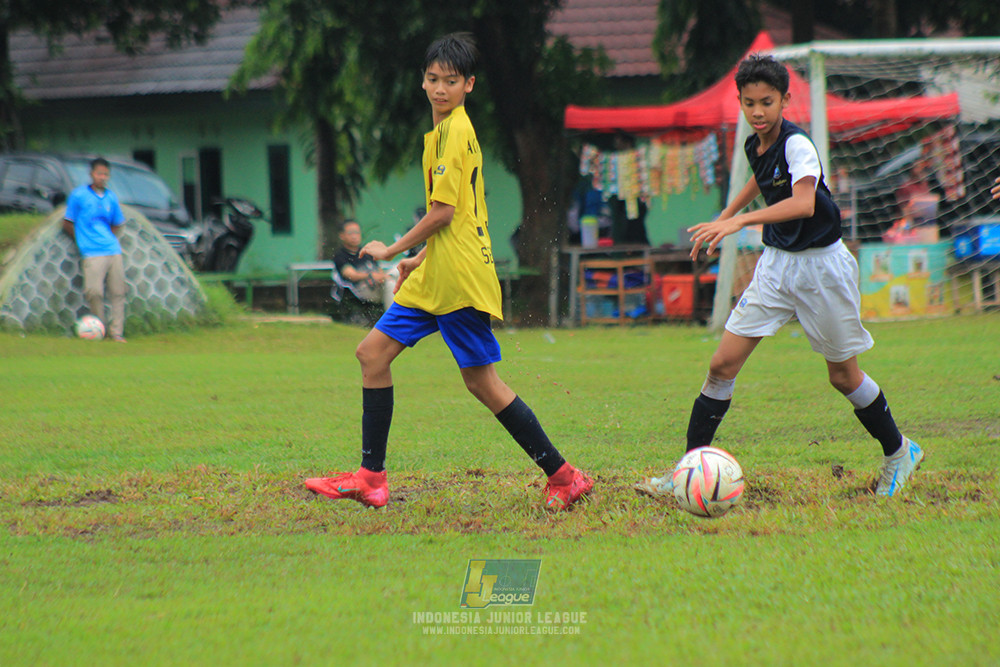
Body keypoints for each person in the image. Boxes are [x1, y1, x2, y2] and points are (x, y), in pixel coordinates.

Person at [305, 33, 594, 510]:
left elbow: (442, 212)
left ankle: (563, 476)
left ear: (469, 85)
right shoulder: (444, 133)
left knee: (483, 383)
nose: (441, 88)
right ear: (423, 82)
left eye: (452, 81)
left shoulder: (454, 132)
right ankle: (371, 478)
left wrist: (391, 248)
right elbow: (466, 214)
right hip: (437, 273)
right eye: (434, 79)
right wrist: (419, 259)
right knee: (371, 354)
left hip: (459, 280)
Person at [635, 55, 923, 500]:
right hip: (777, 265)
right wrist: (725, 214)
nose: (757, 112)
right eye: (749, 103)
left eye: (767, 102)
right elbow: (761, 179)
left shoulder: (798, 144)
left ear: (785, 100)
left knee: (844, 377)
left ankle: (900, 451)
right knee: (721, 365)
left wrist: (739, 223)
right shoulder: (756, 143)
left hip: (822, 268)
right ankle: (686, 474)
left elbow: (804, 202)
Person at [62, 157, 127, 342]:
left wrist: (108, 238)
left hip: (112, 250)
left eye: (106, 174)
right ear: (92, 174)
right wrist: (82, 241)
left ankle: (117, 333)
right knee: (94, 292)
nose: (102, 177)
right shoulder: (79, 195)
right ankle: (100, 328)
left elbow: (117, 224)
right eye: (99, 173)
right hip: (91, 252)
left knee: (118, 292)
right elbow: (67, 222)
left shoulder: (111, 197)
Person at [332, 219, 395, 311]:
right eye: (350, 233)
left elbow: (379, 269)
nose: (354, 236)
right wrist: (371, 276)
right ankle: (392, 319)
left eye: (357, 233)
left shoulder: (366, 252)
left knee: (396, 273)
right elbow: (351, 275)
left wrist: (381, 276)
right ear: (342, 235)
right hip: (360, 290)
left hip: (377, 285)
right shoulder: (340, 255)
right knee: (391, 284)